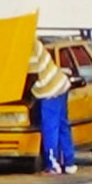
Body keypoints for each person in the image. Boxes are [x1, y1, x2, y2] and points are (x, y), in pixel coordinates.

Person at [29, 38, 76, 175]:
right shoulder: (35, 42)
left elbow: (32, 76)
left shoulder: (27, 47)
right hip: (60, 83)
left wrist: (28, 98)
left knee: (50, 127)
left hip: (49, 90)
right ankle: (69, 162)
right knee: (62, 125)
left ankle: (52, 164)